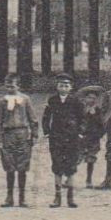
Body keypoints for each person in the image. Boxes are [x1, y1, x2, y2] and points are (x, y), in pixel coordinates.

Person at [0, 72, 37, 208]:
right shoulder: (2, 101)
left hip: (23, 134)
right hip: (8, 135)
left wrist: (34, 135)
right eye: (7, 86)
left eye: (12, 86)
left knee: (22, 167)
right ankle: (9, 197)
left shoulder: (25, 99)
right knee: (9, 166)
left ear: (18, 86)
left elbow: (33, 119)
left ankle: (22, 197)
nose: (10, 89)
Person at [41, 73, 82, 209]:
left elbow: (82, 118)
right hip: (56, 137)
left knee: (71, 166)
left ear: (71, 87)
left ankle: (71, 197)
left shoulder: (76, 101)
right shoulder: (52, 100)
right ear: (57, 86)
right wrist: (47, 131)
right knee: (57, 165)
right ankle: (57, 197)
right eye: (61, 85)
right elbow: (46, 117)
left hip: (72, 137)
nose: (63, 88)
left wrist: (80, 132)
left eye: (66, 85)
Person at [76, 85, 107, 188]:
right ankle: (69, 178)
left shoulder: (98, 111)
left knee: (91, 158)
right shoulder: (80, 109)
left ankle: (88, 180)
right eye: (89, 97)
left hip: (93, 138)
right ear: (84, 98)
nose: (91, 100)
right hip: (80, 137)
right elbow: (76, 122)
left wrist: (94, 116)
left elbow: (102, 125)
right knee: (76, 157)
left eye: (94, 98)